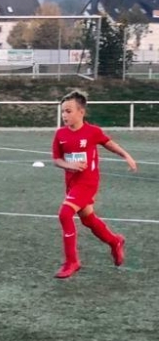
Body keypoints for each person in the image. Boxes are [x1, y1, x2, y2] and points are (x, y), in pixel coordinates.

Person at [51, 91, 137, 279]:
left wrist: (126, 155)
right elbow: (56, 159)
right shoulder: (60, 134)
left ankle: (72, 261)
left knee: (65, 214)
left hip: (88, 183)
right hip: (72, 184)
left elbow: (109, 144)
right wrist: (69, 165)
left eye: (68, 111)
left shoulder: (92, 132)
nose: (64, 115)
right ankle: (115, 241)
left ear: (81, 112)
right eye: (63, 111)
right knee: (88, 219)